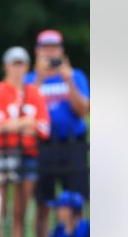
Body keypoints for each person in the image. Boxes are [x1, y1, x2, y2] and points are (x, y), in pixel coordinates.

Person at [0, 46, 51, 237]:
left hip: (28, 154)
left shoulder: (34, 92)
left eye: (21, 64)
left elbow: (44, 128)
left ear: (27, 67)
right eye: (14, 64)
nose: (17, 69)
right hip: (3, 153)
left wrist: (15, 125)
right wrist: (25, 123)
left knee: (20, 213)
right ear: (5, 66)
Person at [26, 28, 91, 214]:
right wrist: (39, 77)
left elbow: (82, 111)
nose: (50, 53)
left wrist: (68, 80)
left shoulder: (75, 76)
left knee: (77, 200)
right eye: (45, 48)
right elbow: (26, 111)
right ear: (37, 51)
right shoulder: (30, 79)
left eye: (54, 48)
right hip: (43, 146)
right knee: (42, 204)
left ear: (61, 51)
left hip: (72, 144)